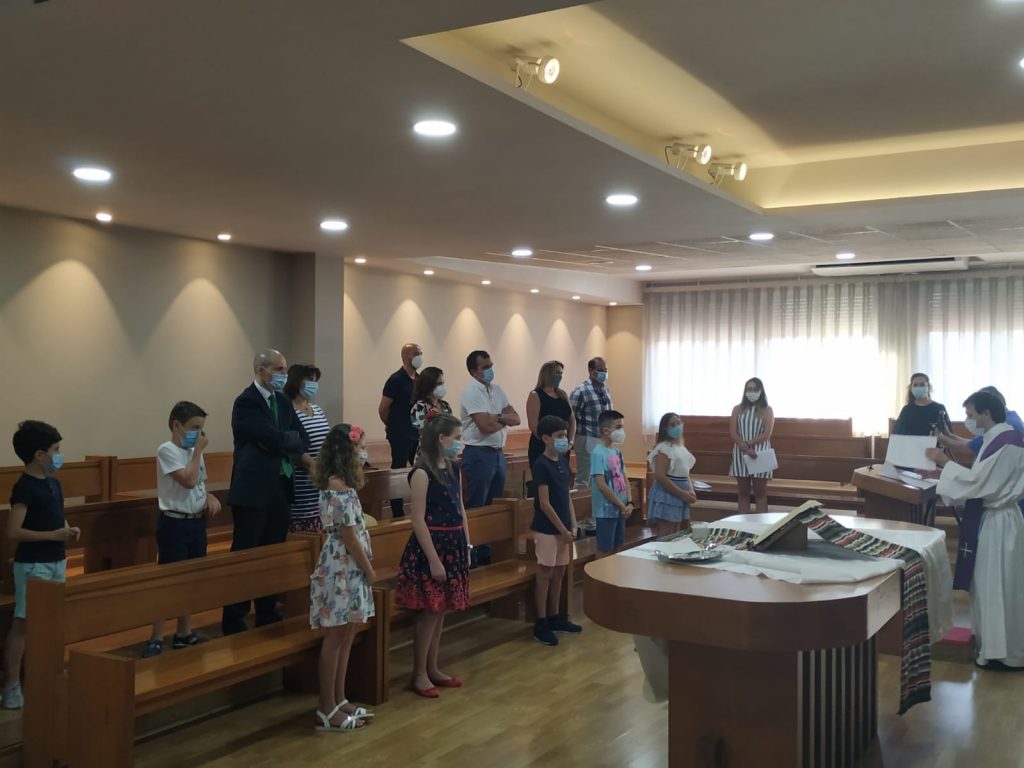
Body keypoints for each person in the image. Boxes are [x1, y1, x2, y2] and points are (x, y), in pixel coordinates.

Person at [925, 390, 1024, 669]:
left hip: (1000, 525)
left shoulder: (1008, 440)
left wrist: (945, 463)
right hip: (995, 521)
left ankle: (1003, 654)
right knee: (991, 586)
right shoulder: (997, 438)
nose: (968, 420)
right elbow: (981, 480)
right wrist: (944, 472)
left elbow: (979, 484)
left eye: (970, 414)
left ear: (986, 413)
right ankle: (992, 647)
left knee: (997, 586)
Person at [223, 349, 309, 635]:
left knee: (273, 552)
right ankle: (234, 617)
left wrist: (283, 441)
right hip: (253, 489)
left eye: (285, 368)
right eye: (279, 369)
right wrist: (284, 441)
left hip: (280, 487)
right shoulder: (246, 402)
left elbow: (302, 437)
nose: (284, 374)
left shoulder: (282, 401)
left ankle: (267, 611)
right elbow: (268, 436)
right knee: (245, 554)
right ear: (261, 370)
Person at [4, 421, 80, 709]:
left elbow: (56, 516)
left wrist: (68, 529)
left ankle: (47, 674)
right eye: (55, 450)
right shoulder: (24, 487)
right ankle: (12, 685)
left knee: (52, 620)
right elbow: (13, 532)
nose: (59, 455)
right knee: (23, 623)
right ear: (39, 455)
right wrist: (51, 535)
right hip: (33, 564)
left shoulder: (53, 482)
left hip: (57, 560)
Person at [394, 413, 471, 697]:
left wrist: (467, 544)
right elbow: (417, 520)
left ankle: (433, 667)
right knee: (429, 613)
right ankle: (419, 674)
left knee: (442, 611)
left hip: (454, 544)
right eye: (457, 438)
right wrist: (434, 561)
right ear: (441, 438)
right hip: (431, 548)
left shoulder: (453, 467)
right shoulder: (421, 472)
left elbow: (461, 509)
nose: (460, 443)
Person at [310, 423, 377, 731]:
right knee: (336, 636)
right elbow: (349, 536)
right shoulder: (338, 487)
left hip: (349, 565)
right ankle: (326, 707)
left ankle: (340, 699)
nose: (363, 452)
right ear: (346, 451)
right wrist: (369, 569)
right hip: (342, 566)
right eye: (360, 447)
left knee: (348, 633)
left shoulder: (344, 485)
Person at [143, 401, 222, 658]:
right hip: (174, 523)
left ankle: (183, 632)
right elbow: (187, 480)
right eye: (194, 428)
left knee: (191, 580)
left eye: (201, 428)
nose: (199, 434)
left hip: (196, 522)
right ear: (176, 425)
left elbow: (199, 483)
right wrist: (197, 450)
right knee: (169, 581)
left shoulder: (194, 452)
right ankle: (156, 636)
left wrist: (209, 496)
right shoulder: (167, 450)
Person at [530, 415, 582, 646]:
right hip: (547, 529)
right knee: (545, 573)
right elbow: (545, 503)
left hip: (564, 529)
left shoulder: (561, 461)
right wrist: (561, 529)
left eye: (565, 435)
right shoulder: (541, 464)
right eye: (560, 436)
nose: (564, 440)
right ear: (546, 438)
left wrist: (573, 524)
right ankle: (540, 622)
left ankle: (555, 616)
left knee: (560, 571)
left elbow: (566, 497)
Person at [459, 350, 521, 508]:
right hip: (479, 453)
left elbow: (516, 419)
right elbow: (485, 426)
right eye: (485, 367)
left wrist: (496, 417)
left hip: (499, 453)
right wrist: (503, 418)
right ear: (473, 371)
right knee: (478, 502)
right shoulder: (471, 392)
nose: (490, 370)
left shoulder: (498, 390)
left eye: (491, 366)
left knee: (496, 503)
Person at [378, 343, 422, 518]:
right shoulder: (396, 379)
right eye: (415, 353)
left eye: (420, 353)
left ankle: (420, 506)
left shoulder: (419, 379)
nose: (419, 357)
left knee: (420, 469)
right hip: (400, 434)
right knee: (399, 469)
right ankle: (397, 511)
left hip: (417, 433)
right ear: (405, 356)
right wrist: (394, 425)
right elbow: (383, 409)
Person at [286, 364, 331, 533]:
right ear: (296, 382)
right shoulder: (288, 411)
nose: (313, 384)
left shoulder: (317, 410)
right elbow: (294, 449)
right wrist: (317, 469)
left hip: (322, 481)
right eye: (309, 380)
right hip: (302, 481)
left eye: (315, 380)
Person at [526, 361, 575, 496]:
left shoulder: (563, 395)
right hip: (543, 446)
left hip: (562, 445)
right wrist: (550, 443)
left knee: (561, 482)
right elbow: (533, 424)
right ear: (547, 374)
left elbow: (572, 419)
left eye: (561, 373)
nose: (560, 376)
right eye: (556, 373)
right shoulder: (535, 395)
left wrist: (570, 442)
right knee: (544, 483)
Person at [646, 413, 698, 538]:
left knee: (677, 533)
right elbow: (660, 476)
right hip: (668, 495)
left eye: (679, 423)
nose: (677, 426)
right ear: (665, 429)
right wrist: (682, 494)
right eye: (672, 425)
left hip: (681, 495)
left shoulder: (681, 447)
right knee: (666, 534)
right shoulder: (664, 448)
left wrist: (690, 490)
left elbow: (685, 473)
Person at [590, 410, 634, 556]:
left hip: (621, 509)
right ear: (606, 431)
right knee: (604, 549)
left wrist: (629, 503)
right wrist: (621, 505)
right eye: (618, 427)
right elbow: (602, 485)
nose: (622, 431)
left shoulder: (617, 452)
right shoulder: (598, 453)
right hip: (606, 511)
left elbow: (624, 478)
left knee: (617, 547)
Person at [730, 377, 775, 515]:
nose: (752, 392)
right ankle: (743, 524)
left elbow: (766, 434)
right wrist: (744, 447)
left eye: (755, 389)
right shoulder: (737, 409)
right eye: (749, 389)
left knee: (760, 493)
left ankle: (762, 525)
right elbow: (733, 432)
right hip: (740, 453)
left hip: (760, 454)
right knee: (743, 493)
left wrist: (749, 445)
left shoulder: (767, 410)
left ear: (761, 391)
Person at [570, 357, 613, 490]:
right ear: (590, 371)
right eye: (600, 370)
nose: (603, 373)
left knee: (600, 478)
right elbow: (571, 417)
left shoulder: (606, 390)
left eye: (605, 370)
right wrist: (570, 440)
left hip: (603, 440)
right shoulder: (581, 391)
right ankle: (580, 502)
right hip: (586, 439)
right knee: (584, 479)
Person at [410, 366, 453, 433]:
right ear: (429, 385)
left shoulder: (445, 406)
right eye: (439, 384)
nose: (442, 387)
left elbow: (452, 428)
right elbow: (423, 433)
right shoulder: (419, 407)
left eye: (442, 383)